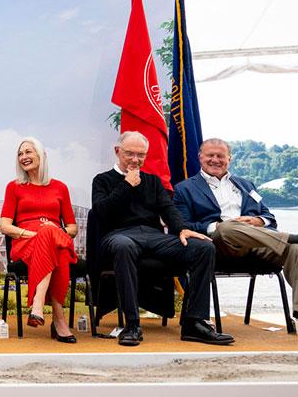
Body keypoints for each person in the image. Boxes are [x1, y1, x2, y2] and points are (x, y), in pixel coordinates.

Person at [174, 138, 298, 349]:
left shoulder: (245, 185)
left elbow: (269, 217)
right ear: (200, 157)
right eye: (210, 155)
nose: (215, 160)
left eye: (221, 156)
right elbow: (184, 226)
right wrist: (216, 226)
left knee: (295, 251)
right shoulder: (184, 189)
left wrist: (258, 221)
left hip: (256, 244)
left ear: (229, 159)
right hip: (217, 247)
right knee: (226, 227)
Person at [91, 131, 232, 347]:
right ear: (117, 151)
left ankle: (194, 322)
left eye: (141, 155)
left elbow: (169, 209)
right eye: (129, 154)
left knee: (203, 247)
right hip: (119, 235)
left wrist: (183, 229)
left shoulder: (153, 181)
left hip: (153, 237)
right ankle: (132, 324)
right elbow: (101, 213)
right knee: (123, 245)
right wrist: (126, 185)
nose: (135, 160)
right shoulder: (102, 180)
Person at [0, 137, 78, 343]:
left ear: (41, 155)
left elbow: (72, 228)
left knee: (51, 235)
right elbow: (5, 226)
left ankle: (37, 305)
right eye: (20, 154)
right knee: (53, 244)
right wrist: (32, 234)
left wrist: (53, 230)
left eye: (28, 152)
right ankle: (59, 321)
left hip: (55, 237)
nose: (24, 157)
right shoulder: (14, 187)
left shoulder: (60, 187)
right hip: (26, 242)